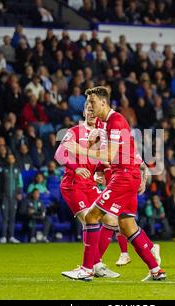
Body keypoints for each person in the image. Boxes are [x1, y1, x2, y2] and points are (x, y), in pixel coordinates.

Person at [62, 86, 165, 281]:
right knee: (126, 226)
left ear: (103, 102)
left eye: (92, 102)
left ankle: (86, 269)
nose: (90, 107)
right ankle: (156, 270)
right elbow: (116, 151)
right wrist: (99, 168)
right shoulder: (104, 123)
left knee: (92, 216)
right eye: (88, 104)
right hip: (124, 175)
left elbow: (110, 154)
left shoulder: (117, 121)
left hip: (124, 177)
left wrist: (78, 148)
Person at [55, 103, 123, 278]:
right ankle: (91, 267)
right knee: (88, 219)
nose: (92, 113)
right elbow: (59, 154)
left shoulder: (103, 133)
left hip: (90, 184)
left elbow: (99, 159)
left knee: (112, 220)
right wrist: (76, 167)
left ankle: (95, 263)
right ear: (84, 111)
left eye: (94, 110)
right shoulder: (74, 131)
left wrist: (99, 171)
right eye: (89, 109)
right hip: (73, 184)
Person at [0, 153, 23, 244]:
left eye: (12, 158)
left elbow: (20, 183)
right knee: (5, 217)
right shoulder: (3, 170)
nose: (10, 159)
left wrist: (18, 193)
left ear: (14, 159)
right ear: (7, 159)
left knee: (12, 218)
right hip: (5, 197)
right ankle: (3, 236)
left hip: (13, 197)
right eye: (9, 158)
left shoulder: (17, 170)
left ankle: (11, 236)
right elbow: (0, 183)